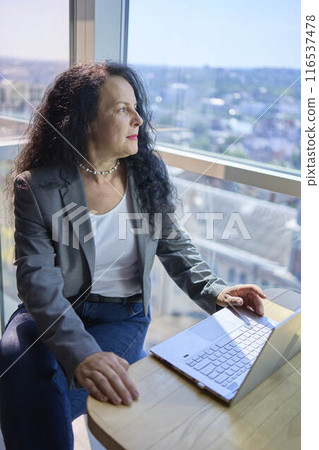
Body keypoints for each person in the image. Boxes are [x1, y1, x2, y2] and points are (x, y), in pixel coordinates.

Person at [0, 62, 266, 449]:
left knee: (47, 388)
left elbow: (173, 243)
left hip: (121, 314)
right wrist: (82, 354)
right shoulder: (36, 187)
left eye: (136, 107)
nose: (139, 118)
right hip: (55, 306)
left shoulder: (145, 173)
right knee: (12, 361)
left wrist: (215, 291)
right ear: (85, 120)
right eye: (122, 109)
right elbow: (38, 282)